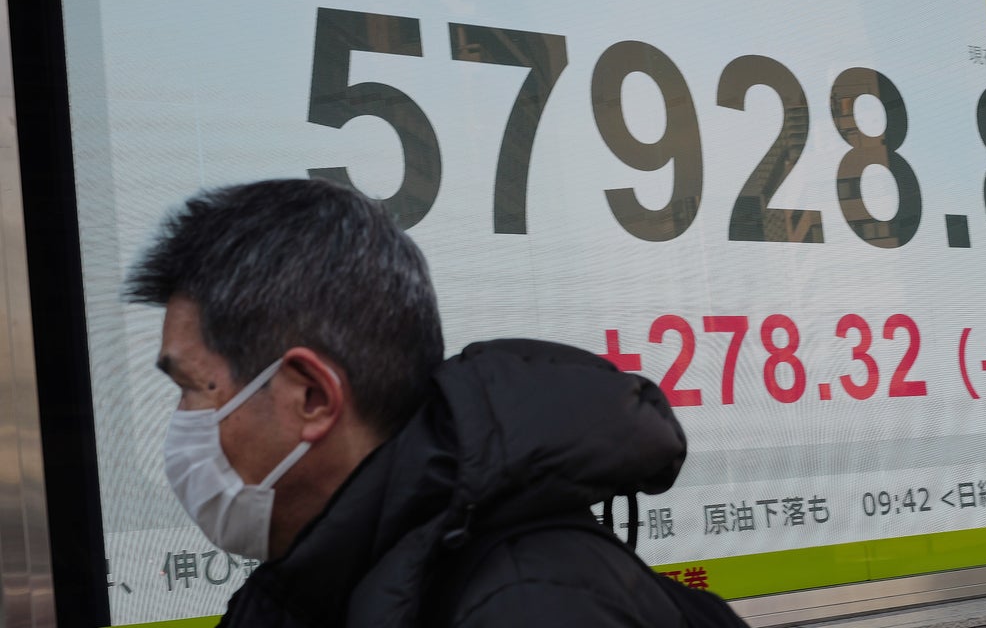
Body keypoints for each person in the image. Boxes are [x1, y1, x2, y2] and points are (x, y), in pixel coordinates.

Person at [125, 177, 696, 627]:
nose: (181, 427)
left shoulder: (534, 604)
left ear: (312, 396)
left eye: (192, 389)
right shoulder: (303, 585)